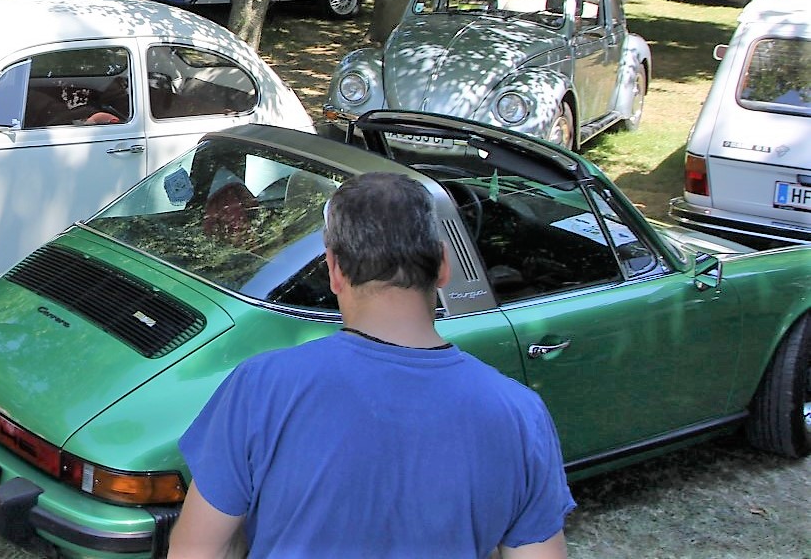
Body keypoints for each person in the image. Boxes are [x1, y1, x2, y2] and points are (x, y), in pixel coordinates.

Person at [171, 172, 573, 559]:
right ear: (443, 267)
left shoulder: (261, 387)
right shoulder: (521, 415)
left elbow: (198, 549)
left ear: (334, 270)